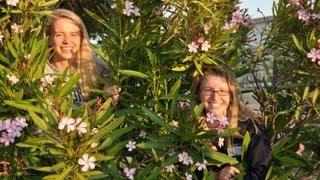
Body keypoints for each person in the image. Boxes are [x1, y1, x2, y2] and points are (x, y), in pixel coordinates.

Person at [192, 65, 271, 180]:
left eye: (222, 91)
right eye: (208, 90)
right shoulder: (188, 129)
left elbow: (261, 170)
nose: (215, 97)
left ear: (231, 95)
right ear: (199, 94)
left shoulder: (250, 126)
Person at [43, 8, 120, 105]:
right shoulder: (38, 71)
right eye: (59, 35)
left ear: (81, 38)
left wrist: (108, 92)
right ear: (49, 39)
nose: (67, 41)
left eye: (73, 35)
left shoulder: (99, 69)